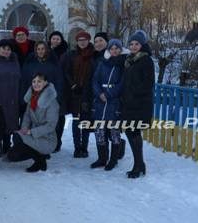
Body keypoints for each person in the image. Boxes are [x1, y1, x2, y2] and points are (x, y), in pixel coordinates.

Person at [8, 73, 59, 172]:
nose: (36, 84)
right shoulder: (32, 97)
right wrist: (24, 129)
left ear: (45, 83)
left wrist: (31, 132)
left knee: (19, 140)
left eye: (39, 81)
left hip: (47, 138)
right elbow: (27, 116)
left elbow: (50, 126)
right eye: (34, 81)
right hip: (34, 134)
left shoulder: (52, 102)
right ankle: (40, 155)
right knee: (13, 152)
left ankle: (40, 161)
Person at [121, 30, 155, 178]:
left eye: (137, 44)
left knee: (134, 133)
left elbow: (148, 83)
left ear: (142, 45)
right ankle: (139, 164)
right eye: (131, 44)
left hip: (140, 103)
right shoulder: (130, 59)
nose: (134, 46)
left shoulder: (146, 60)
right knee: (131, 132)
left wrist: (133, 93)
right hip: (129, 103)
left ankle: (138, 165)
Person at [20, 41, 64, 150]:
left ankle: (48, 146)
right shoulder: (30, 63)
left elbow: (58, 80)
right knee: (31, 120)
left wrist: (56, 97)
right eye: (38, 49)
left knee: (47, 123)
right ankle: (32, 147)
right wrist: (23, 96)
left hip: (48, 98)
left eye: (43, 49)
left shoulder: (53, 64)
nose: (40, 51)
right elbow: (25, 81)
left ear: (47, 50)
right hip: (33, 97)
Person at [90, 39, 126, 170]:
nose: (114, 51)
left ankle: (113, 159)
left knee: (114, 132)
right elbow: (95, 80)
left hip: (114, 101)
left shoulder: (124, 64)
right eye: (112, 48)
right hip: (100, 101)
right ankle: (102, 158)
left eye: (117, 48)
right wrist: (99, 93)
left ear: (121, 50)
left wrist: (109, 94)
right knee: (99, 130)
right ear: (108, 50)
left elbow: (123, 83)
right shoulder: (102, 63)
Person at [61, 30, 96, 158]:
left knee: (85, 120)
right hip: (75, 92)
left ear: (88, 41)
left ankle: (84, 147)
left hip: (88, 93)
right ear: (77, 41)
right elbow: (67, 71)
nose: (82, 42)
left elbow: (95, 74)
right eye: (80, 40)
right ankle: (77, 148)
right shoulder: (71, 55)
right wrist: (73, 85)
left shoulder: (93, 55)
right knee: (76, 120)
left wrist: (87, 88)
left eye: (84, 40)